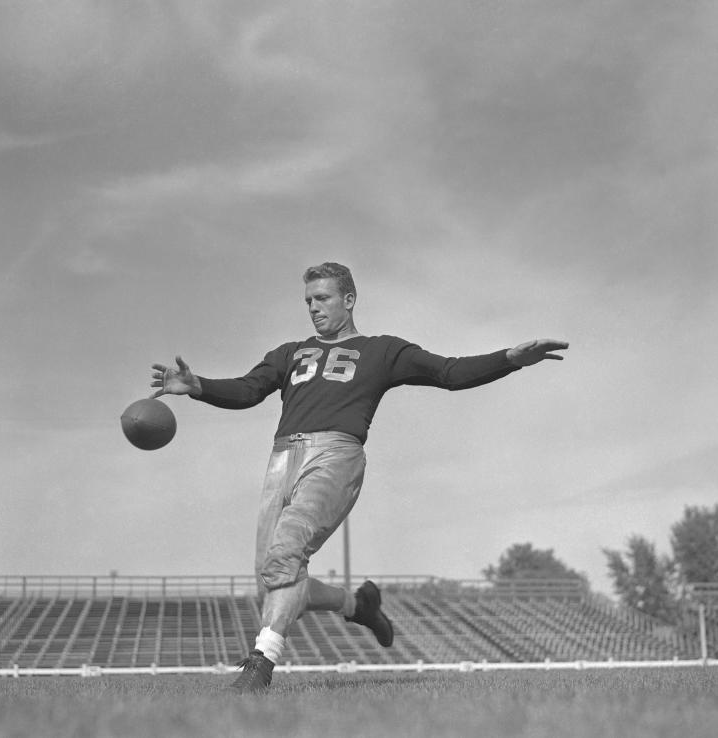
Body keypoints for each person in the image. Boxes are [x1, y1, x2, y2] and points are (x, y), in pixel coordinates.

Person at [149, 262, 568, 693]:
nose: (314, 308)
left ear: (349, 300)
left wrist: (510, 359)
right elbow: (247, 390)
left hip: (336, 454)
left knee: (287, 550)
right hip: (281, 459)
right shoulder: (288, 352)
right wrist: (199, 386)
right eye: (308, 301)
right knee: (277, 575)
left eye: (323, 298)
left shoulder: (383, 350)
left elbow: (449, 372)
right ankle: (359, 606)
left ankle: (262, 663)